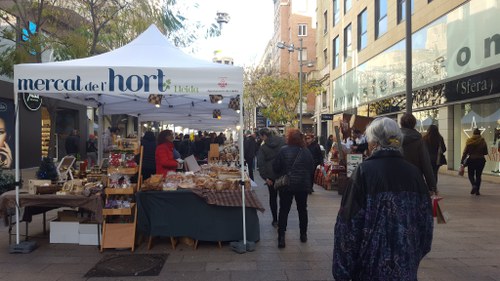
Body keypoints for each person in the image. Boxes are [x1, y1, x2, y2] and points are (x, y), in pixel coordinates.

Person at [332, 117, 433, 280]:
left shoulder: (364, 172)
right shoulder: (415, 174)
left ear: (373, 143)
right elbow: (426, 225)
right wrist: (411, 256)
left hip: (370, 270)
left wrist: (342, 271)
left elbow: (347, 225)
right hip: (406, 270)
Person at [273, 128, 315, 248]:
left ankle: (281, 237)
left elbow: (276, 167)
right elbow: (311, 167)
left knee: (284, 210)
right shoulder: (306, 152)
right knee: (302, 210)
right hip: (302, 185)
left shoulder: (283, 150)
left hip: (287, 185)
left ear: (290, 138)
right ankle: (303, 234)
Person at [400, 113, 437, 194]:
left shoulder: (393, 140)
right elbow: (426, 164)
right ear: (414, 124)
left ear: (401, 123)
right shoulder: (419, 141)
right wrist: (432, 186)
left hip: (396, 181)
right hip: (414, 180)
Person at [257, 127, 285, 228]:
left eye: (261, 137)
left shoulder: (263, 148)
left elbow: (261, 164)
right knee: (283, 199)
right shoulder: (283, 141)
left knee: (273, 198)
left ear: (264, 136)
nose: (261, 139)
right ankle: (282, 219)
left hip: (270, 176)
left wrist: (265, 178)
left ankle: (275, 220)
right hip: (283, 174)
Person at [461, 128, 488, 195]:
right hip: (481, 160)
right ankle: (477, 191)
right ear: (479, 134)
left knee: (471, 175)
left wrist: (462, 161)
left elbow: (465, 152)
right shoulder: (483, 141)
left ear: (473, 133)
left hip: (471, 160)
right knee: (478, 176)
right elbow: (485, 152)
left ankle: (474, 185)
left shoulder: (469, 141)